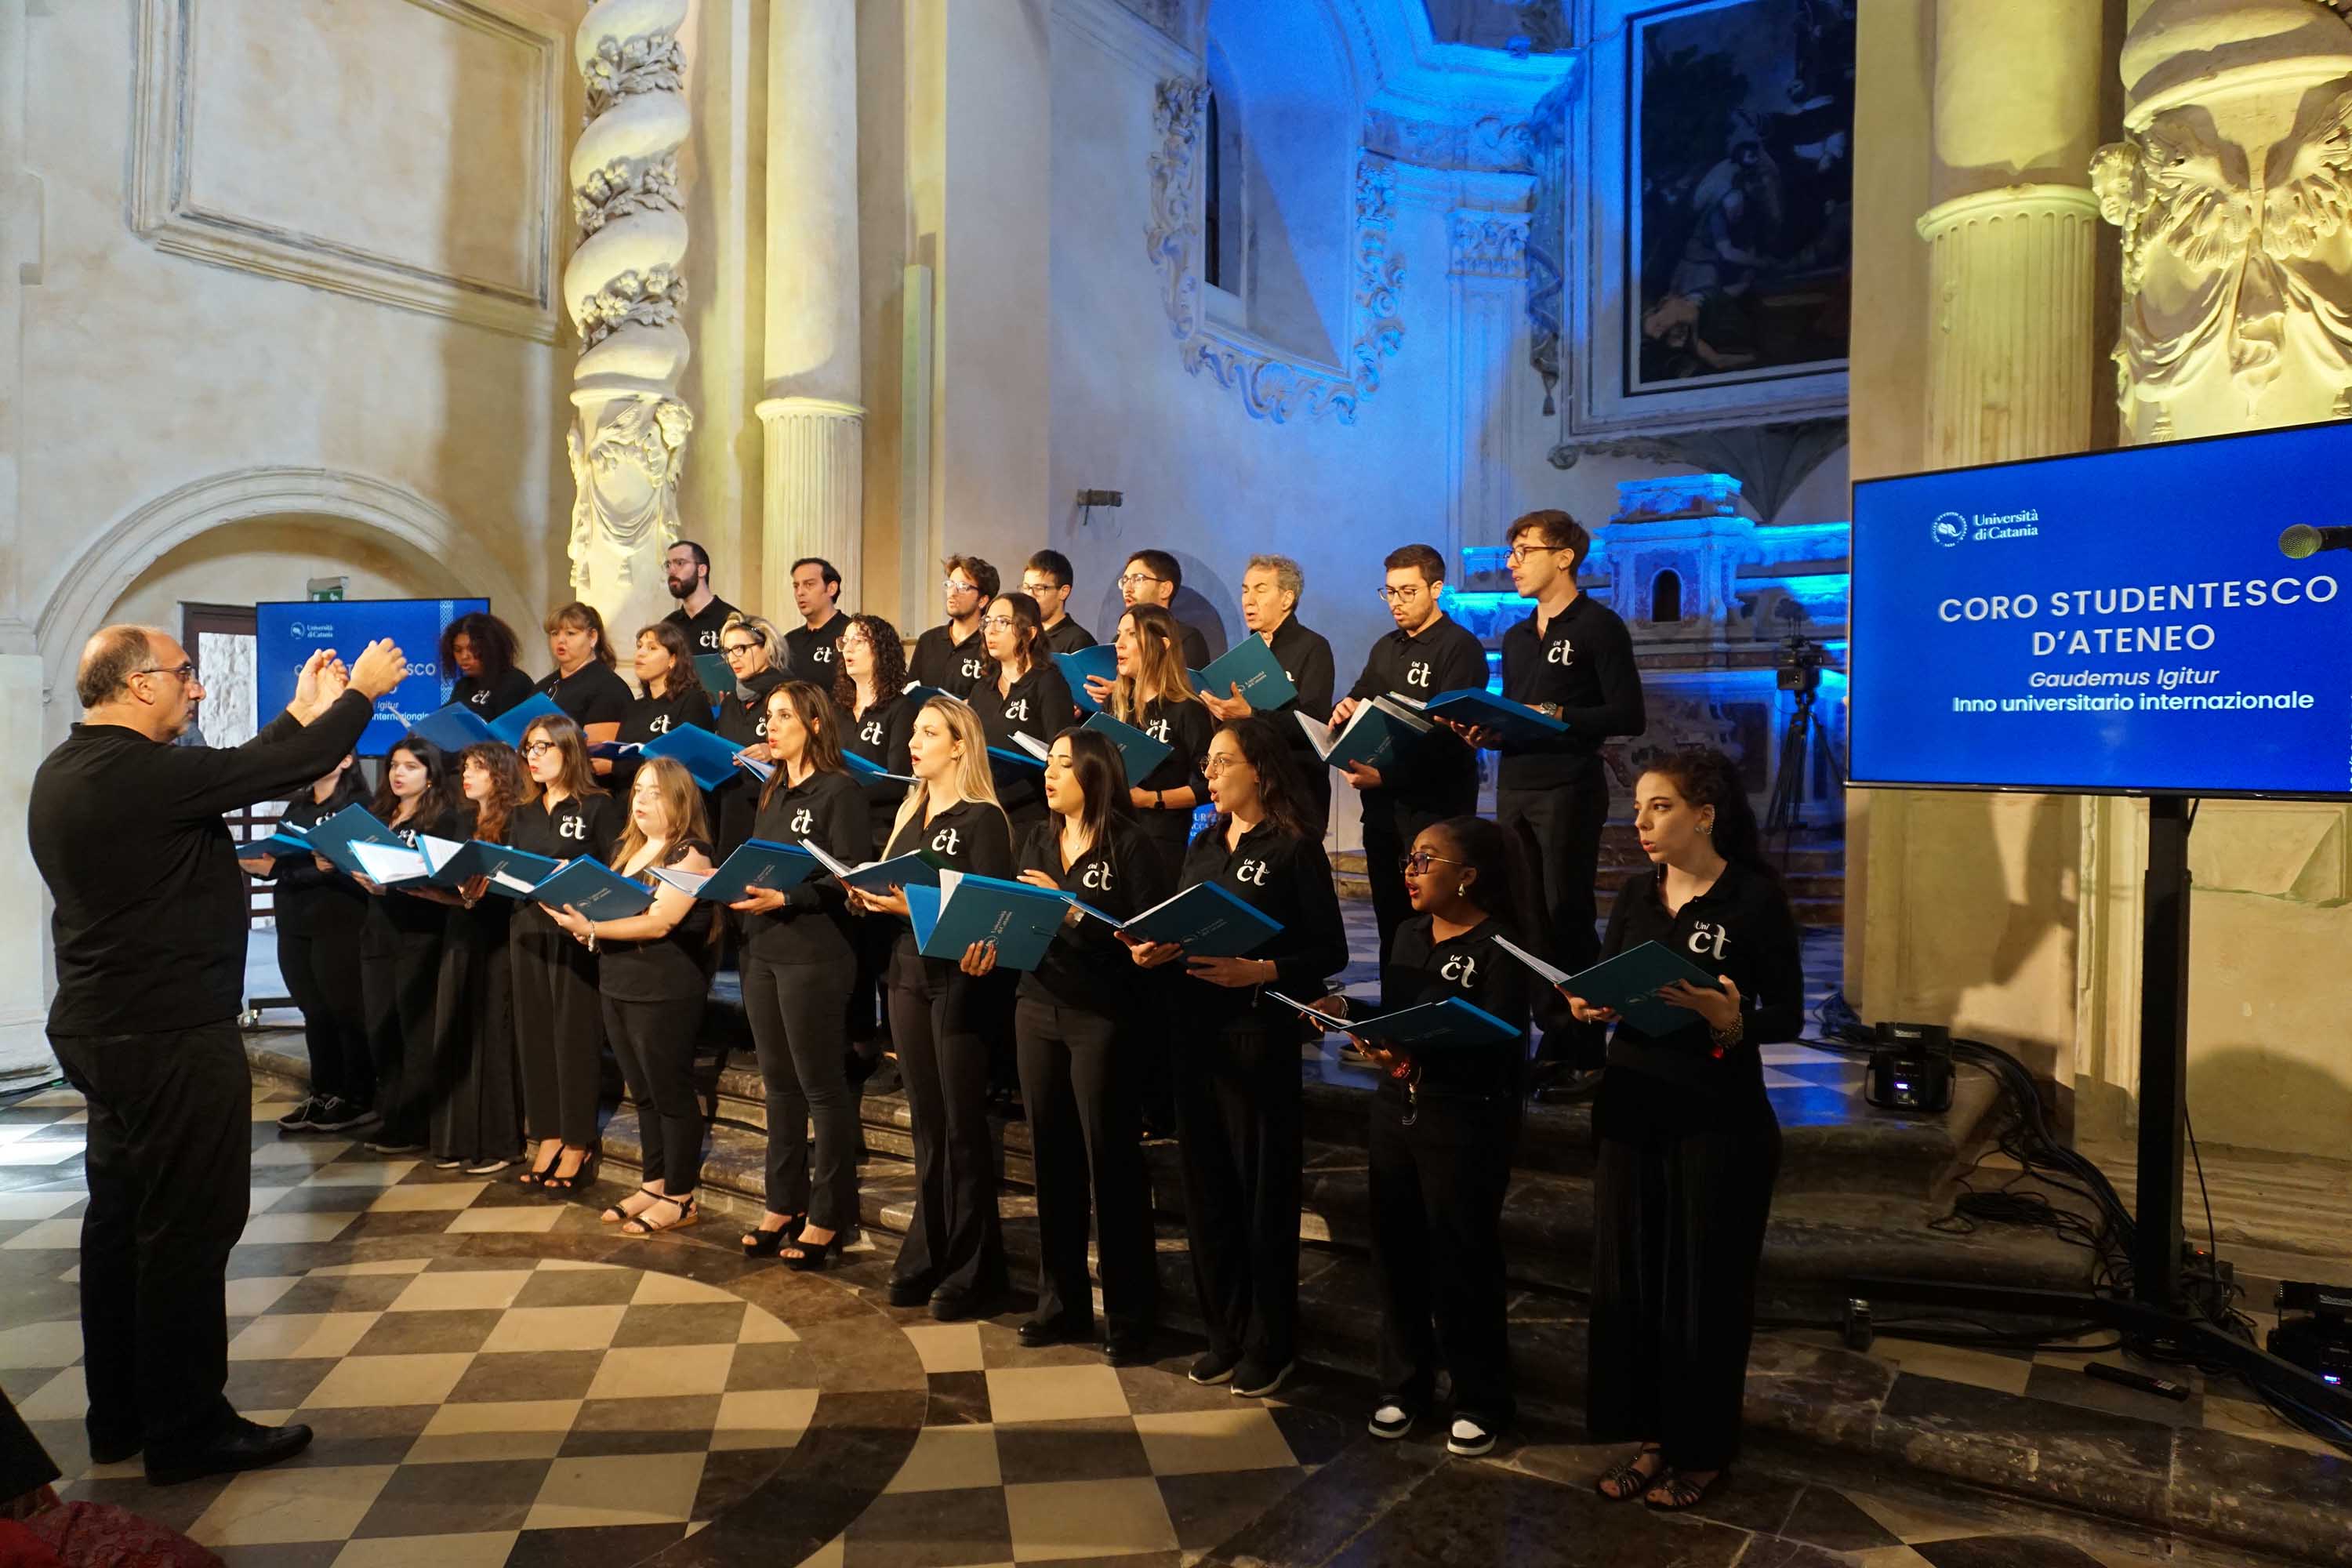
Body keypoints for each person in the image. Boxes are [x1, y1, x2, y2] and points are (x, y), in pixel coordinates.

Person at [29, 626, 408, 1485]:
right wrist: (361, 695)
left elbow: (240, 767)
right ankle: (190, 1426)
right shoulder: (142, 775)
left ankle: (120, 1413)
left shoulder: (73, 768)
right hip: (166, 1032)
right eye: (185, 675)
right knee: (189, 1230)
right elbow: (256, 771)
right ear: (136, 686)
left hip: (104, 1025)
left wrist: (299, 714)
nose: (196, 690)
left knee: (121, 1225)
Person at [1570, 748, 1799, 1512]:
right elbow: (1609, 974)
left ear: (1705, 812)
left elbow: (1788, 1013)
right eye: (1636, 808)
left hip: (1717, 1116)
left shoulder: (1754, 898)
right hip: (1632, 1106)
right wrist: (1591, 1004)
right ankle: (1651, 1436)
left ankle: (1702, 1448)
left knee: (1704, 1290)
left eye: (1659, 806)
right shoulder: (1637, 893)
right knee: (1634, 1283)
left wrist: (1732, 1018)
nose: (1640, 822)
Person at [1128, 716, 1346, 1399]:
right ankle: (1222, 1331)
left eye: (1222, 763)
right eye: (1208, 764)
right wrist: (1153, 949)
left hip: (1257, 1039)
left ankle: (1269, 1341)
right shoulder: (1202, 844)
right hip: (1195, 1035)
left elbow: (1330, 951)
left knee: (1261, 1195)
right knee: (1207, 1191)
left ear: (1261, 770)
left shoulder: (1292, 847)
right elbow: (1184, 923)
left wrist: (1266, 971)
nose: (1210, 775)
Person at [1329, 816, 1532, 1459]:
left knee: (1463, 1256)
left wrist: (1417, 1049)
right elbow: (1401, 1019)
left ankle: (1479, 1396)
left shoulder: (1503, 944)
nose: (1410, 870)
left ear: (1467, 876)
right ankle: (1403, 1384)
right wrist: (1361, 1024)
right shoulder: (1408, 933)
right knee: (1396, 1249)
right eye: (1410, 858)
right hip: (1399, 1108)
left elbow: (1502, 1046)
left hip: (1467, 1115)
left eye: (1426, 859)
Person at [1454, 509, 1646, 1097]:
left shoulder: (1599, 626)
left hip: (1567, 785)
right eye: (1511, 551)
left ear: (1564, 557)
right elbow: (1518, 712)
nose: (1512, 562)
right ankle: (1552, 1037)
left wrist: (1561, 715)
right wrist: (1490, 730)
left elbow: (1628, 714)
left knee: (1566, 914)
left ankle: (1587, 1050)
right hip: (1516, 782)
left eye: (1524, 550)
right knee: (1523, 918)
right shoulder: (1515, 637)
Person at [994, 729, 1167, 1361]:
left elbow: (1148, 941)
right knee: (1052, 1161)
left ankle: (1129, 1315)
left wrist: (1070, 912)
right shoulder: (1038, 837)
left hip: (1102, 1015)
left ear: (1094, 774)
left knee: (1110, 1163)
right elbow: (1020, 912)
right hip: (1036, 1007)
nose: (1050, 774)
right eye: (1047, 764)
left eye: (1063, 765)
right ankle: (1059, 1304)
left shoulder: (1130, 844)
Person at [844, 696, 1016, 1320]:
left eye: (928, 733)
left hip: (956, 981)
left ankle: (975, 1267)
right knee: (926, 1122)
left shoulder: (984, 820)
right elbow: (894, 892)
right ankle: (928, 1246)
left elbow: (988, 918)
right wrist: (865, 896)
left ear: (960, 746)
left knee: (961, 1125)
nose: (914, 743)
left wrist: (906, 906)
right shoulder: (912, 813)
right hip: (905, 976)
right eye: (913, 733)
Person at [546, 757, 718, 1232]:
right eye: (638, 790)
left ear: (680, 800)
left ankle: (680, 1196)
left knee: (670, 1093)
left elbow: (662, 921)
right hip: (618, 980)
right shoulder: (630, 848)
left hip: (664, 988)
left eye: (654, 793)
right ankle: (654, 1184)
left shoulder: (692, 853)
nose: (640, 800)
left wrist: (594, 927)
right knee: (642, 1093)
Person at [733, 681, 871, 1267]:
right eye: (768, 716)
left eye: (784, 715)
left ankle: (827, 1214)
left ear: (814, 723)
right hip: (763, 949)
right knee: (779, 1085)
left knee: (821, 1086)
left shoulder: (841, 791)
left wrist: (787, 900)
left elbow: (849, 879)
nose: (772, 725)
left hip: (815, 952)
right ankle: (781, 1203)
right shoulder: (772, 788)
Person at [1330, 544, 1489, 1000]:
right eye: (1390, 592)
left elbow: (1449, 740)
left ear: (1436, 589)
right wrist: (1345, 708)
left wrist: (1388, 777)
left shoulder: (1460, 648)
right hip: (1382, 812)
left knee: (1433, 923)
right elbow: (1361, 696)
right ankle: (1392, 1018)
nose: (1397, 602)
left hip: (1434, 813)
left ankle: (1432, 1020)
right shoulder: (1387, 647)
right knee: (1391, 920)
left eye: (1407, 591)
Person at [508, 713, 620, 1193]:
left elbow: (615, 874)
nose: (533, 757)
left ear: (569, 752)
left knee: (572, 1036)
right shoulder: (523, 810)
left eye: (542, 748)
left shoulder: (598, 806)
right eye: (528, 749)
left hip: (574, 930)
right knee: (535, 1035)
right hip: (528, 928)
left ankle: (578, 1139)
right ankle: (547, 1134)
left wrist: (569, 871)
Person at [242, 754, 374, 1135]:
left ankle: (358, 1097)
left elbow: (351, 870)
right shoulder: (298, 806)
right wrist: (271, 867)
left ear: (347, 760)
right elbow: (285, 860)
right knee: (313, 1010)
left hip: (339, 919)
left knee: (344, 1009)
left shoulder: (357, 809)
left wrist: (293, 870)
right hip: (295, 917)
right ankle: (324, 1091)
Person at [350, 733, 462, 1156]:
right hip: (378, 929)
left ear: (431, 776)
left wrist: (394, 883)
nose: (398, 773)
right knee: (381, 1026)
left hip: (419, 932)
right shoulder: (380, 814)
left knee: (414, 1029)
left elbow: (443, 877)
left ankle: (415, 1122)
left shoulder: (443, 819)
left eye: (410, 767)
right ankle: (391, 1111)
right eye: (394, 765)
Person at [427, 742, 528, 1175]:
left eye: (478, 768)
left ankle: (501, 1142)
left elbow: (519, 882)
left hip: (499, 937)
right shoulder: (460, 818)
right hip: (461, 932)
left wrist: (478, 892)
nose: (466, 774)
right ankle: (458, 1139)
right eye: (465, 766)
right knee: (457, 1031)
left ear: (501, 774)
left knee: (494, 1035)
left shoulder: (516, 822)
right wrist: (438, 890)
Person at [1198, 554, 1336, 836]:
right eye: (1245, 590)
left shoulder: (1313, 647)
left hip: (1299, 789)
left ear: (1287, 599)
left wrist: (1252, 715)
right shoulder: (1243, 655)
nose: (1248, 600)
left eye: (1260, 589)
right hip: (1250, 792)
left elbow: (1316, 725)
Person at [834, 614, 914, 1068]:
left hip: (883, 837)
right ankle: (860, 1042)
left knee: (882, 949)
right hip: (845, 836)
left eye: (859, 641)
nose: (848, 649)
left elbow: (900, 779)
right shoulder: (838, 709)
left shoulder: (901, 708)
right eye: (846, 642)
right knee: (852, 950)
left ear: (882, 650)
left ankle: (897, 1049)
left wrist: (842, 784)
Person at [1108, 604, 1213, 881]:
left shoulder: (1187, 709)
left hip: (1160, 840)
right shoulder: (1117, 707)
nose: (1118, 644)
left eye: (1130, 634)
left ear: (1161, 644)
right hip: (1113, 835)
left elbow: (1209, 784)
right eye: (1118, 635)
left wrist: (1151, 800)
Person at [971, 591, 1076, 833]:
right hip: (985, 810)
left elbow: (1062, 754)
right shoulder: (981, 689)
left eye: (1003, 622)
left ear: (1029, 632)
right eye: (987, 622)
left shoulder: (1048, 683)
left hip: (1032, 816)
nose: (991, 630)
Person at [605, 622, 712, 786]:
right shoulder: (633, 708)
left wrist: (616, 767)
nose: (640, 653)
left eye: (652, 648)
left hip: (669, 796)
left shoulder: (692, 700)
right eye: (639, 646)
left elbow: (683, 761)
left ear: (673, 659)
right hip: (628, 797)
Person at [537, 601, 632, 747]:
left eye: (570, 633)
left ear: (592, 637)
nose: (560, 640)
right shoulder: (542, 686)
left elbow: (598, 749)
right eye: (554, 634)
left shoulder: (609, 688)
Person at [909, 554, 996, 699]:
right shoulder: (928, 640)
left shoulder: (990, 644)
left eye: (963, 587)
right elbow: (912, 689)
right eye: (950, 585)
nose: (952, 593)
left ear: (982, 600)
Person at [1116, 549, 1212, 669]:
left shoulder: (1185, 639)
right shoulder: (1117, 641)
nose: (1127, 589)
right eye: (1125, 581)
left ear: (1165, 589)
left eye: (1137, 579)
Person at [443, 612, 534, 717]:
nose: (464, 656)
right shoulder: (463, 686)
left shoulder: (516, 682)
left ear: (492, 647)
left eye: (473, 648)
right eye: (458, 650)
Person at [661, 538, 741, 655]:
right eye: (668, 565)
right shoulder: (668, 626)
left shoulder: (731, 620)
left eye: (679, 563)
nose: (671, 571)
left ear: (701, 570)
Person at [782, 556, 851, 682]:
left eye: (809, 584)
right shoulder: (789, 641)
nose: (800, 592)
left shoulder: (851, 634)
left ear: (831, 588)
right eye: (796, 586)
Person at [1023, 550, 1096, 655]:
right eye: (1026, 587)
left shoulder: (1079, 642)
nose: (1029, 595)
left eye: (1039, 588)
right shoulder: (1022, 635)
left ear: (1063, 592)